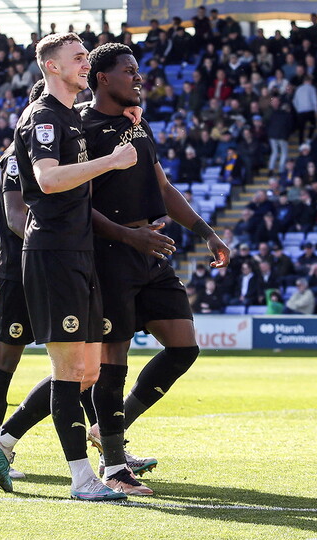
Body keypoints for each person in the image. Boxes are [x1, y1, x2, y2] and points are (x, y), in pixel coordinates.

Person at [0, 33, 137, 501]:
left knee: (86, 372)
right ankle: (83, 480)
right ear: (51, 67)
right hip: (53, 254)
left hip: (78, 252)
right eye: (78, 58)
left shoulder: (69, 116)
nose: (86, 64)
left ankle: (1, 439)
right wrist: (111, 162)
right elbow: (47, 179)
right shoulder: (43, 116)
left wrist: (127, 124)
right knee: (69, 371)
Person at [81, 42, 231, 494]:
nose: (138, 77)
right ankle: (113, 468)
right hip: (111, 254)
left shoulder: (139, 126)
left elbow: (162, 185)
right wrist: (129, 236)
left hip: (152, 250)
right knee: (113, 361)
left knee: (184, 348)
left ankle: (108, 428)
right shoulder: (81, 128)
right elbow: (75, 204)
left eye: (138, 70)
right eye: (129, 70)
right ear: (102, 77)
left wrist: (206, 231)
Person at [0, 80, 50, 479]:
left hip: (59, 266)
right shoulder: (16, 156)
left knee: (82, 358)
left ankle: (110, 449)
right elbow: (18, 218)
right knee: (6, 357)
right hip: (20, 270)